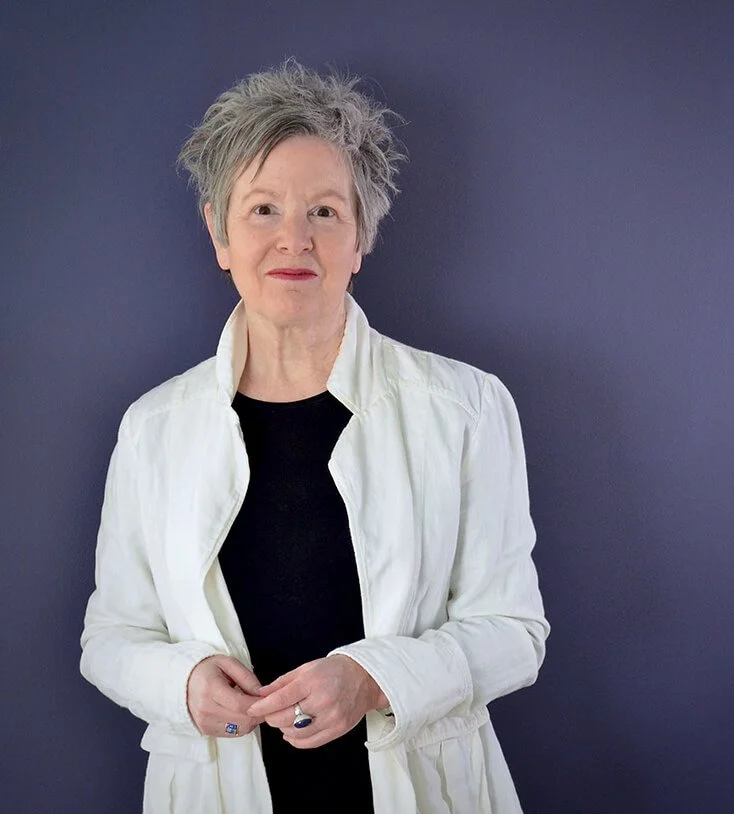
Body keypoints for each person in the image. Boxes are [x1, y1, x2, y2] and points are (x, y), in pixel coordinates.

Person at [80, 59, 549, 814]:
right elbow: (111, 637)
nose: (292, 239)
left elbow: (516, 632)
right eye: (262, 209)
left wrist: (375, 678)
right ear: (218, 233)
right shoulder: (153, 429)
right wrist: (182, 684)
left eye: (324, 212)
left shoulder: (466, 407)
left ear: (360, 235)